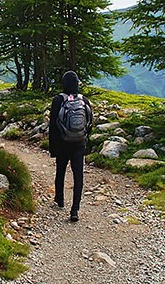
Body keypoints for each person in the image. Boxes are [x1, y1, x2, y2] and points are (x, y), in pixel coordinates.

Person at [49, 70, 92, 222]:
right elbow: (89, 122)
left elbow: (53, 126)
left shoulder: (58, 100)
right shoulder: (84, 100)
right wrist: (85, 143)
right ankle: (75, 210)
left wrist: (53, 148)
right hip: (79, 144)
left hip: (62, 143)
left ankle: (59, 200)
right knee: (78, 176)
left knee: (60, 171)